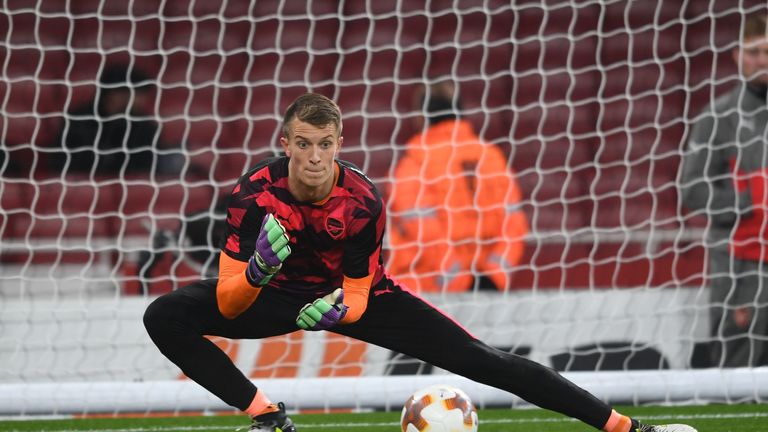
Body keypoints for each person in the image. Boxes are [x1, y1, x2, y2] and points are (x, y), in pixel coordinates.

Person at [143, 93, 696, 432]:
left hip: (357, 298)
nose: (315, 158)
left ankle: (629, 428)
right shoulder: (251, 196)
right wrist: (260, 273)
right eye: (304, 144)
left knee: (485, 361)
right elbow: (231, 297)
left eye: (326, 144)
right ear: (284, 142)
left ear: (340, 143)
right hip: (276, 293)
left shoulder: (362, 200)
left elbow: (360, 292)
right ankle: (268, 416)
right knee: (164, 316)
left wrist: (340, 308)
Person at [680, 11, 768, 368]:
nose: (761, 60)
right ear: (737, 56)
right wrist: (749, 201)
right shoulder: (717, 116)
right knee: (740, 369)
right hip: (740, 267)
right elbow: (692, 189)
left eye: (767, 52)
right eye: (753, 52)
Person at [388, 81, 528, 292]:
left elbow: (423, 231)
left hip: (427, 293)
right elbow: (514, 224)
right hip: (488, 294)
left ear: (421, 115)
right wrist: (493, 276)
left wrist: (458, 279)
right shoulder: (492, 157)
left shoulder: (415, 162)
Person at [50, 64, 180, 176]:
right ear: (115, 93)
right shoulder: (79, 120)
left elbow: (147, 166)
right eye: (139, 94)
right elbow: (65, 164)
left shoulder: (145, 125)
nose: (142, 101)